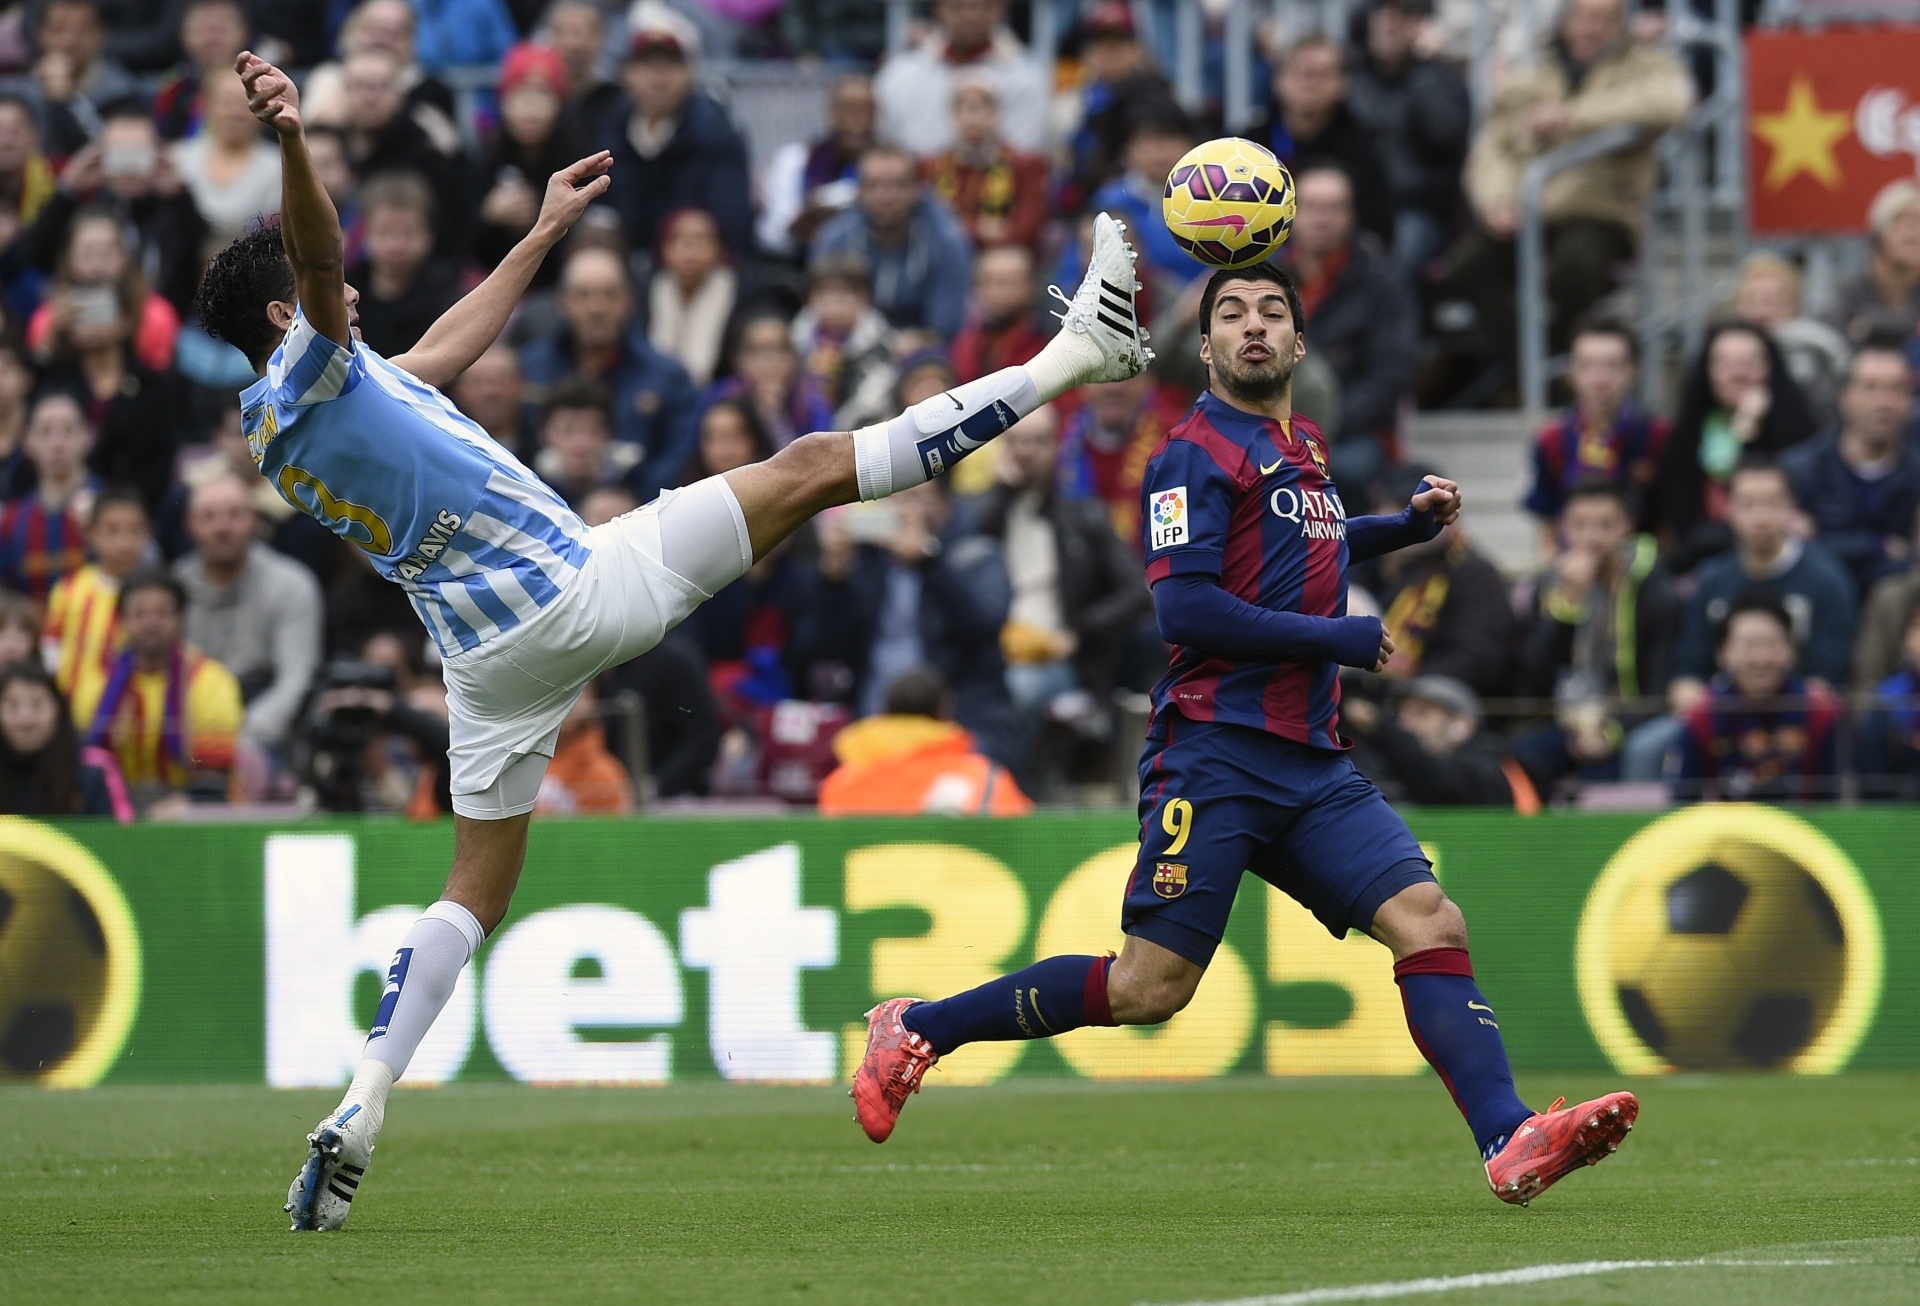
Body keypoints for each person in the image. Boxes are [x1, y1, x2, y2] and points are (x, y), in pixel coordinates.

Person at [209, 49, 1148, 1230]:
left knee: (470, 895)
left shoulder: (289, 427)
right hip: (576, 592)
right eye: (318, 298)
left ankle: (364, 1097)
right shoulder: (318, 346)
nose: (343, 303)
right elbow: (325, 258)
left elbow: (441, 357)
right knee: (810, 468)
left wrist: (540, 237)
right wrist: (294, 136)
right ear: (286, 317)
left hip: (486, 667)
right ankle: (1081, 353)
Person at [851, 260, 1639, 1208]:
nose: (1253, 326)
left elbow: (1309, 538)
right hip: (1213, 753)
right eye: (1232, 314)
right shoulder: (1186, 454)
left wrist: (1403, 527)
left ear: (1299, 343)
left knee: (1430, 920)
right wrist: (1335, 637)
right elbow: (1184, 609)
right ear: (1210, 345)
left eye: (1272, 312)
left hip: (1310, 762)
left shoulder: (1301, 443)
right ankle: (919, 1027)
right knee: (1150, 988)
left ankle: (1507, 1137)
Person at [1462, 0, 1692, 354]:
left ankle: (1557, 366)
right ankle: (1536, 362)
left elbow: (1672, 103)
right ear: (1565, 22)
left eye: (1605, 20)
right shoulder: (1534, 73)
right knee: (1467, 265)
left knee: (1572, 269)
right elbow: (1493, 148)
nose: (1592, 29)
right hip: (1527, 210)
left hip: (1601, 212)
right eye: (1584, 18)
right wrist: (1497, 200)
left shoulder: (1647, 65)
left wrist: (1573, 116)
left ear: (1621, 26)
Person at [967, 405, 1150, 783]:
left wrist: (1079, 632)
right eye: (1016, 441)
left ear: (1055, 447)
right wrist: (1003, 490)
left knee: (1020, 689)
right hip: (987, 652)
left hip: (1054, 659)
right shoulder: (982, 513)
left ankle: (1012, 797)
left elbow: (1136, 592)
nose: (1025, 451)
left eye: (1037, 441)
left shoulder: (1084, 518)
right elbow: (963, 570)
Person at [788, 478, 1021, 767]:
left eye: (915, 498)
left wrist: (928, 561)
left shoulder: (977, 555)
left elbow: (983, 627)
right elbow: (818, 649)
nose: (902, 510)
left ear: (943, 506)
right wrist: (833, 581)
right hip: (874, 719)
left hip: (959, 716)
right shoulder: (867, 563)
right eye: (895, 499)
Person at [1510, 479, 1679, 787]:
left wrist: (1611, 731)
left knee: (1603, 772)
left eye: (1605, 525)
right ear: (1563, 528)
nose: (1592, 538)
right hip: (1563, 720)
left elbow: (1658, 687)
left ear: (1627, 527)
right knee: (1520, 758)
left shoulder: (1655, 590)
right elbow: (1535, 675)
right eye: (1580, 525)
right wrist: (1568, 608)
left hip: (1625, 720)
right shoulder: (1548, 585)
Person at [1668, 456, 1857, 701]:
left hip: (1800, 719)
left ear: (1791, 506)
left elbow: (1829, 678)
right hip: (1721, 717)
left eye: (1771, 503)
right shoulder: (1709, 579)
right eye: (1748, 504)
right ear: (1728, 508)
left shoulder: (1827, 580)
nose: (1760, 517)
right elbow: (1687, 672)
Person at [517, 246, 698, 500]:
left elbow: (678, 457)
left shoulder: (669, 376)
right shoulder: (527, 369)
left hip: (641, 519)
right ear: (562, 303)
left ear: (629, 301)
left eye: (610, 295)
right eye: (583, 295)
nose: (597, 308)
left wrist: (628, 504)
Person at [1279, 162, 1415, 484]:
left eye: (1334, 208)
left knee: (1346, 470)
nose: (1322, 219)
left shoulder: (1381, 284)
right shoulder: (1267, 279)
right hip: (1270, 426)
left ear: (1351, 215)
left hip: (1350, 432)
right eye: (1311, 207)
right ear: (1291, 214)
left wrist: (1323, 423)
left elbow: (1390, 375)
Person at [173, 472, 322, 753]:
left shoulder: (292, 584)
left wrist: (245, 736)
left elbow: (297, 677)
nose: (222, 527)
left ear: (255, 520)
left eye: (235, 515)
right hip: (190, 726)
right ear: (189, 525)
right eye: (208, 516)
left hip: (267, 728)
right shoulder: (174, 586)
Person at [70, 566, 243, 804]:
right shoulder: (96, 682)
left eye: (162, 613)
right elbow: (86, 766)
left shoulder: (212, 681)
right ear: (122, 621)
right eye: (139, 614)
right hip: (114, 812)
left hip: (192, 813)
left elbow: (213, 777)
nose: (151, 623)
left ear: (181, 618)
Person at [1650, 321, 1816, 567]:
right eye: (1725, 364)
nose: (1738, 374)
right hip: (1699, 559)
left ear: (1770, 368)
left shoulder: (1797, 428)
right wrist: (1741, 428)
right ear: (1707, 371)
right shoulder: (1688, 432)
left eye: (1750, 364)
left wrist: (1751, 425)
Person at [21, 102, 209, 316]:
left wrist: (180, 196)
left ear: (156, 155)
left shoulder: (176, 212)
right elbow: (36, 256)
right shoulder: (87, 211)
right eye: (120, 154)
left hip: (169, 326)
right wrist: (67, 192)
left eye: (137, 154)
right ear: (101, 155)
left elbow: (203, 257)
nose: (128, 168)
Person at [1357, 466, 1514, 697]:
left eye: (1426, 509)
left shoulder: (1474, 574)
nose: (1413, 518)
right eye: (1402, 508)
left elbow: (1477, 659)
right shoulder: (1367, 566)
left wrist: (1399, 691)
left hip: (1442, 706)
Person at [597, 24, 752, 256]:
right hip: (625, 263)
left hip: (694, 261)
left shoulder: (717, 134)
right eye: (648, 65)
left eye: (670, 65)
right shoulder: (612, 131)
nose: (658, 78)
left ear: (689, 75)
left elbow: (730, 219)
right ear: (628, 75)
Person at [1781, 342, 1920, 599]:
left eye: (1896, 389)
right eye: (1870, 388)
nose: (1884, 402)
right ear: (1844, 397)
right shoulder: (1799, 470)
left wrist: (1824, 539)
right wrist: (1879, 546)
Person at [1346, 0, 1471, 280]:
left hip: (1415, 208)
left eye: (1402, 15)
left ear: (1419, 25)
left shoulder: (1440, 79)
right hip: (1357, 207)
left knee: (1395, 263)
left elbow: (1444, 135)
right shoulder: (1354, 77)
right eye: (1382, 13)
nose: (1389, 23)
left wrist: (1425, 68)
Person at [1676, 592, 1839, 801]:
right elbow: (1682, 805)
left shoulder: (1821, 714)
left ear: (1792, 650)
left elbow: (1835, 807)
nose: (1761, 659)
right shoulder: (1702, 717)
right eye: (1748, 645)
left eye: (1772, 644)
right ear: (1722, 653)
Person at [1523, 319, 1666, 546]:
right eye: (1587, 365)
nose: (1600, 379)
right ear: (1571, 372)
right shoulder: (1551, 439)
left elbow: (1670, 523)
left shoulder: (1659, 436)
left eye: (1612, 365)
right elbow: (1546, 520)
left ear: (1634, 370)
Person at [817, 665, 1032, 816]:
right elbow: (1024, 842)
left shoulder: (838, 785)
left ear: (884, 714)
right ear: (944, 713)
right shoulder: (986, 781)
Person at [810, 145, 974, 341]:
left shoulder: (947, 240)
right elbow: (820, 313)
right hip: (848, 345)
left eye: (898, 185)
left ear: (916, 188)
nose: (887, 196)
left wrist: (907, 345)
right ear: (859, 191)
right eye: (875, 185)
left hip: (923, 352)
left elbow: (946, 326)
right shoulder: (834, 240)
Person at [1250, 33, 1393, 247]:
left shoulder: (1365, 149)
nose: (1310, 83)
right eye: (1300, 73)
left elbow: (1375, 230)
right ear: (1277, 82)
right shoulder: (1249, 147)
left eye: (1322, 74)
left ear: (1343, 84)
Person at [872, 0, 1049, 157]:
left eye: (984, 6)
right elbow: (886, 145)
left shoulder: (1027, 77)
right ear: (937, 8)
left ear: (1002, 8)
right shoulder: (900, 74)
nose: (971, 15)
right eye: (958, 6)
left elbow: (1025, 153)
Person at [1343, 674, 1540, 810]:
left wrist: (1381, 728)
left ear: (1461, 724)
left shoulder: (1493, 765)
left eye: (1421, 713)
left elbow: (1444, 785)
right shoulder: (1397, 763)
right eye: (1401, 714)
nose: (1404, 724)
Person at [476, 41, 583, 287]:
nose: (531, 110)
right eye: (520, 97)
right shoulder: (485, 162)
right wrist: (488, 216)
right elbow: (464, 245)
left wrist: (545, 217)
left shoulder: (578, 161)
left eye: (543, 97)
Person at [1056, 2, 1178, 214]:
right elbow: (1063, 168)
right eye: (1101, 45)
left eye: (1119, 44)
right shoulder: (1069, 105)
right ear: (1087, 53)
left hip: (1150, 201)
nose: (1110, 53)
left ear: (1137, 49)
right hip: (1086, 205)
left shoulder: (1161, 97)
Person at [27, 205, 181, 372]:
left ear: (126, 257)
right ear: (68, 259)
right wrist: (53, 339)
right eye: (87, 254)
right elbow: (35, 379)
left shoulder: (155, 314)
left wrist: (124, 336)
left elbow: (164, 383)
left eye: (107, 253)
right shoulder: (48, 319)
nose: (97, 265)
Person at [1055, 370, 1190, 551]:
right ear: (1082, 383)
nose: (1115, 387)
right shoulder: (1054, 435)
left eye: (1127, 375)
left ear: (1147, 381)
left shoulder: (1179, 438)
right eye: (1103, 375)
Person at [41, 482, 148, 701]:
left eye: (134, 530)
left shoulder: (153, 594)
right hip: (74, 711)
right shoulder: (68, 590)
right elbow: (52, 650)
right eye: (112, 530)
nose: (124, 542)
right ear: (90, 534)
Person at [922, 72, 1048, 253]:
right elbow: (929, 225)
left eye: (983, 108)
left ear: (997, 113)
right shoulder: (931, 166)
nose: (974, 119)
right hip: (947, 255)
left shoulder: (1026, 165)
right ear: (953, 115)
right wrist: (978, 229)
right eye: (966, 108)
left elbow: (1027, 229)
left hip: (1003, 256)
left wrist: (961, 228)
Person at [756, 73, 873, 259]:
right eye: (846, 110)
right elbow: (771, 237)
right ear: (831, 113)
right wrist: (804, 220)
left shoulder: (889, 168)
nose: (856, 121)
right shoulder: (795, 159)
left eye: (865, 111)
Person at [345, 170, 460, 357]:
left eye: (408, 233)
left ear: (430, 235)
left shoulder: (447, 298)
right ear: (364, 233)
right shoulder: (344, 291)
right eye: (384, 232)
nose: (396, 246)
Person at [1731, 251, 1850, 431]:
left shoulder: (1817, 349)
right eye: (1751, 300)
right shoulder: (1722, 351)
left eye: (1771, 301)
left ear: (1795, 306)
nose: (1760, 312)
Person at [170, 65, 281, 250]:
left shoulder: (279, 165)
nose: (235, 113)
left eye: (246, 102)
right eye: (226, 102)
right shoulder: (177, 160)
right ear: (206, 106)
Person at [0, 388, 96, 602]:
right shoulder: (11, 521)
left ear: (89, 436)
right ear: (27, 442)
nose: (57, 444)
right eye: (45, 431)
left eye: (68, 430)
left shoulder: (112, 507)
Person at [0, 660, 127, 818]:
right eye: (12, 706)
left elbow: (123, 836)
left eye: (38, 705)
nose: (26, 719)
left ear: (59, 710)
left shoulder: (93, 770)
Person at [790, 252, 898, 431]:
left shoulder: (879, 346)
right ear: (810, 300)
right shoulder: (795, 341)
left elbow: (871, 401)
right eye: (826, 295)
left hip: (855, 432)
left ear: (864, 299)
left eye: (844, 296)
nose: (835, 306)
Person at [698, 311, 834, 451]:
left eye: (778, 350)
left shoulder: (811, 399)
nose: (768, 361)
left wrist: (776, 417)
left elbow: (817, 455)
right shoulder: (720, 396)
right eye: (756, 351)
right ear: (737, 358)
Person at [646, 207, 739, 388]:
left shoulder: (742, 294)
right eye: (677, 240)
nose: (689, 250)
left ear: (719, 247)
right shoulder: (645, 291)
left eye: (700, 240)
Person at [1828, 180, 1920, 348]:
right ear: (1878, 233)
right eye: (1901, 222)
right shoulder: (1850, 291)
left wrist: (1868, 323)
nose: (1913, 231)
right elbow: (1833, 344)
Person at [532, 377, 638, 509]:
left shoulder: (638, 482)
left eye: (591, 430)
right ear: (545, 434)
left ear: (609, 434)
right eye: (567, 430)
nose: (580, 444)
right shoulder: (531, 487)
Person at [153, 0, 251, 141]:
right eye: (201, 31)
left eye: (220, 30)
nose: (211, 39)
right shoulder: (172, 90)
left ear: (244, 33)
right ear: (184, 36)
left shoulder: (264, 89)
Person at [950, 244, 1047, 385]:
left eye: (1006, 282)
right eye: (988, 282)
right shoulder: (967, 342)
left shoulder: (1045, 341)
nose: (997, 291)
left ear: (1030, 287)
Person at [532, 681, 633, 814]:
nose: (566, 702)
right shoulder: (520, 762)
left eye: (577, 691)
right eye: (555, 692)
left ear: (593, 701)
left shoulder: (603, 773)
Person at [450, 343, 531, 463]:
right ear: (460, 390)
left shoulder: (545, 449)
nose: (490, 392)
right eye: (478, 382)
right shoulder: (447, 451)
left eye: (501, 381)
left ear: (520, 386)